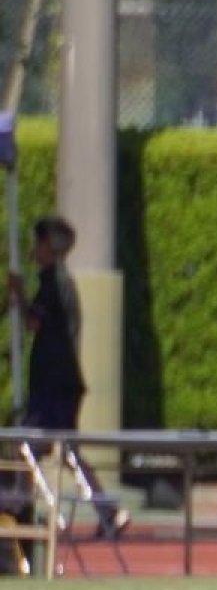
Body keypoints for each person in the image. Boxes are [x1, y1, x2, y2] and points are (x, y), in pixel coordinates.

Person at [7, 216, 128, 536]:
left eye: (39, 244)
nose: (35, 250)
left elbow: (35, 322)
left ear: (49, 246)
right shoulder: (57, 282)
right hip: (59, 382)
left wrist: (19, 295)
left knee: (31, 446)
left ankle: (20, 509)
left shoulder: (54, 282)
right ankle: (106, 510)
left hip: (55, 383)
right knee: (59, 450)